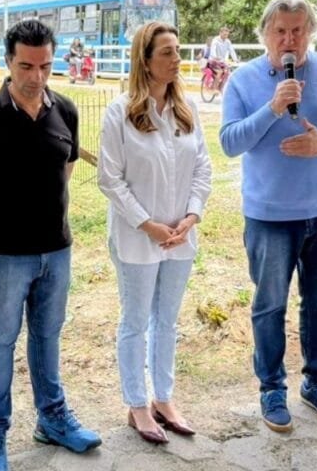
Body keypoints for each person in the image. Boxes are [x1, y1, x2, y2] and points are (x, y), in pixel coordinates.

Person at [0, 18, 102, 471]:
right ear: (8, 62)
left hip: (56, 249)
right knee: (0, 342)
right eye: (25, 66)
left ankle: (53, 419)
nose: (36, 76)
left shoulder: (67, 111)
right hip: (2, 255)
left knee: (47, 336)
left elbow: (65, 168)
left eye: (45, 65)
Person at [219, 0, 317, 433]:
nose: (290, 39)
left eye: (298, 29)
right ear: (264, 33)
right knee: (269, 306)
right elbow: (230, 143)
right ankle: (271, 388)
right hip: (269, 216)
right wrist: (271, 108)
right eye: (280, 30)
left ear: (311, 32)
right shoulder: (244, 80)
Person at [98, 22, 212, 445]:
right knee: (135, 321)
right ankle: (137, 404)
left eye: (178, 50)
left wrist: (190, 218)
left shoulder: (187, 111)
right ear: (144, 60)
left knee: (167, 321)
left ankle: (164, 398)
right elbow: (110, 179)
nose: (177, 59)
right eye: (167, 52)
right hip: (137, 238)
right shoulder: (121, 111)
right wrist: (147, 224)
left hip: (180, 239)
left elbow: (203, 167)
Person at [209, 26, 239, 91]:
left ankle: (221, 87)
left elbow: (231, 51)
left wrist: (235, 59)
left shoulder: (228, 41)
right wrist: (215, 57)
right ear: (220, 33)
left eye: (227, 35)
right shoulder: (215, 40)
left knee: (227, 72)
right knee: (219, 72)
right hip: (213, 60)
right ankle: (214, 88)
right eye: (225, 34)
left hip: (222, 61)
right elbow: (213, 50)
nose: (226, 36)